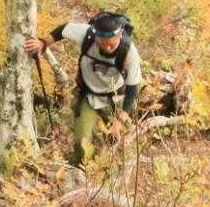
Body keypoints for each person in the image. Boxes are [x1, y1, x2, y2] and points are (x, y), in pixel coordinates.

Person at [23, 11, 142, 166]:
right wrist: (43, 43)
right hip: (88, 96)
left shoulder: (129, 52)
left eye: (112, 44)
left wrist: (120, 119)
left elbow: (133, 88)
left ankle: (112, 168)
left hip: (115, 98)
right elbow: (63, 30)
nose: (107, 48)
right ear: (96, 36)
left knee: (121, 140)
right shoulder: (87, 35)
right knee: (81, 144)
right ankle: (83, 171)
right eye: (102, 43)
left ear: (120, 36)